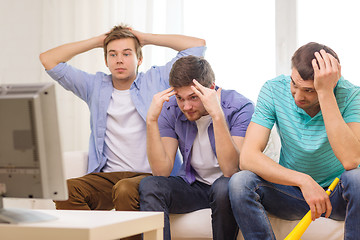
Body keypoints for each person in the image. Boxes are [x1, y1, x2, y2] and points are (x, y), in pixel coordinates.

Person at [39, 24, 205, 229]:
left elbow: (197, 46)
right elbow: (48, 60)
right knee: (67, 190)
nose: (119, 60)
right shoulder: (94, 86)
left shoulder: (156, 79)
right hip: (108, 177)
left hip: (148, 176)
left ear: (139, 59)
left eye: (127, 54)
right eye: (112, 54)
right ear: (106, 60)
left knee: (125, 189)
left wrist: (145, 38)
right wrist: (97, 41)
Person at [229, 42, 360, 239]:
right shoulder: (273, 89)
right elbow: (247, 157)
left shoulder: (351, 95)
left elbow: (351, 160)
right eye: (294, 84)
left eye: (309, 90)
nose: (298, 96)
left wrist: (325, 93)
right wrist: (303, 181)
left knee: (357, 179)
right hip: (293, 192)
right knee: (240, 182)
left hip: (336, 194)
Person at [139, 55, 254, 240]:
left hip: (227, 185)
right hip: (195, 186)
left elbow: (232, 170)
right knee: (150, 185)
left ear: (210, 89)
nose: (186, 106)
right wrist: (151, 120)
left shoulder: (240, 107)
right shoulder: (171, 109)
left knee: (223, 188)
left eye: (193, 97)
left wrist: (217, 115)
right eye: (180, 98)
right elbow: (161, 171)